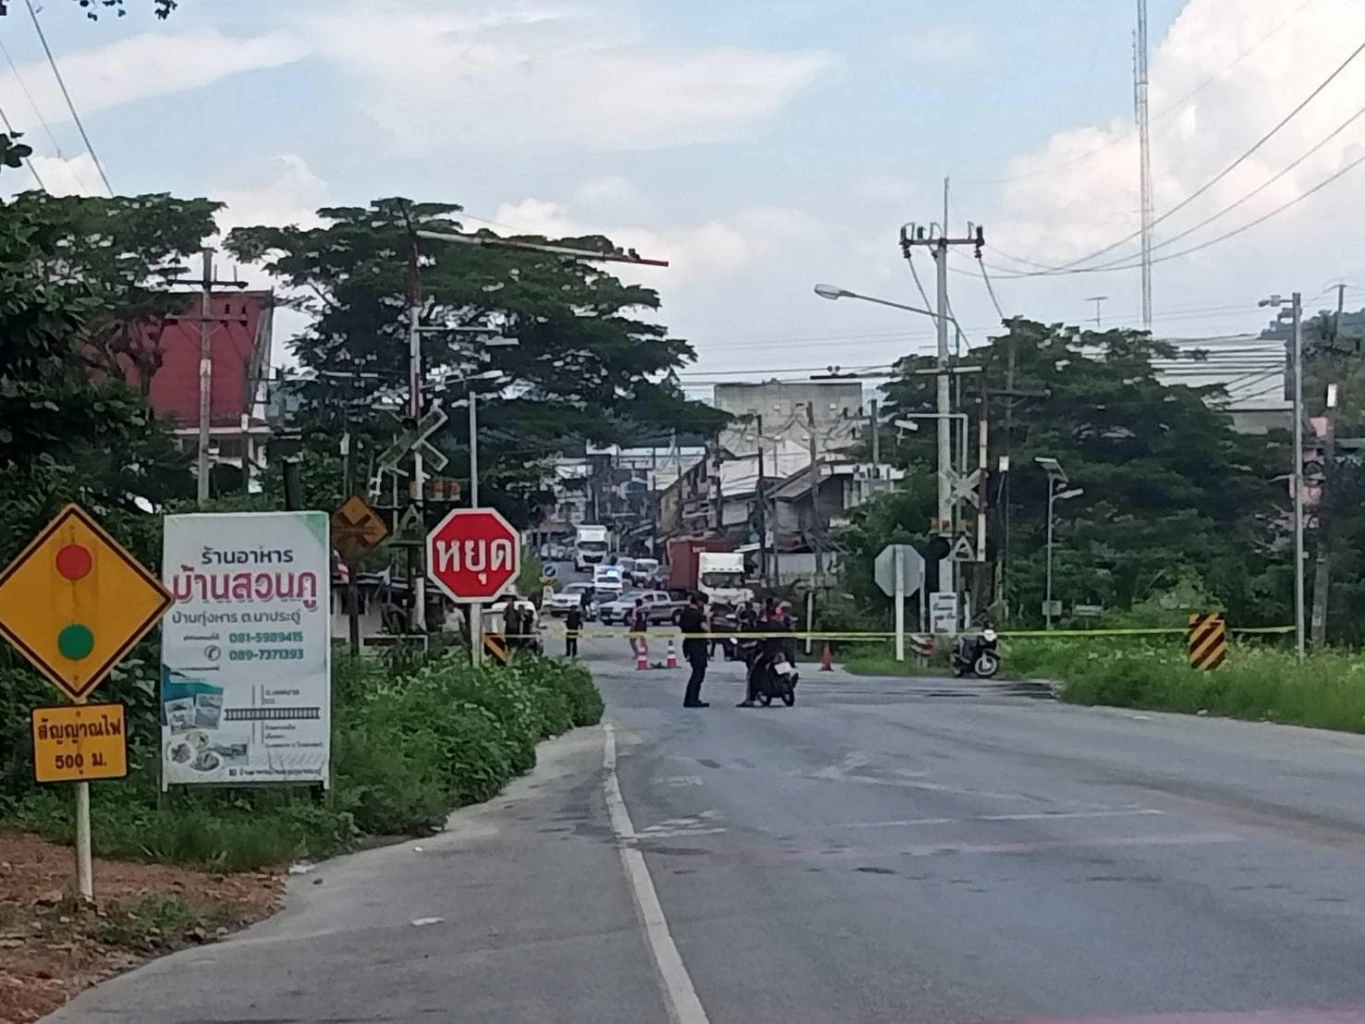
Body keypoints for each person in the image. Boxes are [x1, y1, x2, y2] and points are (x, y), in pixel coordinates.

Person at [678, 593, 710, 707]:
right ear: (700, 602)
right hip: (698, 645)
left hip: (688, 644)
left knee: (696, 671)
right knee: (698, 673)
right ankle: (692, 699)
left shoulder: (684, 613)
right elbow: (706, 629)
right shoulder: (698, 615)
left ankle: (691, 698)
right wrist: (707, 618)